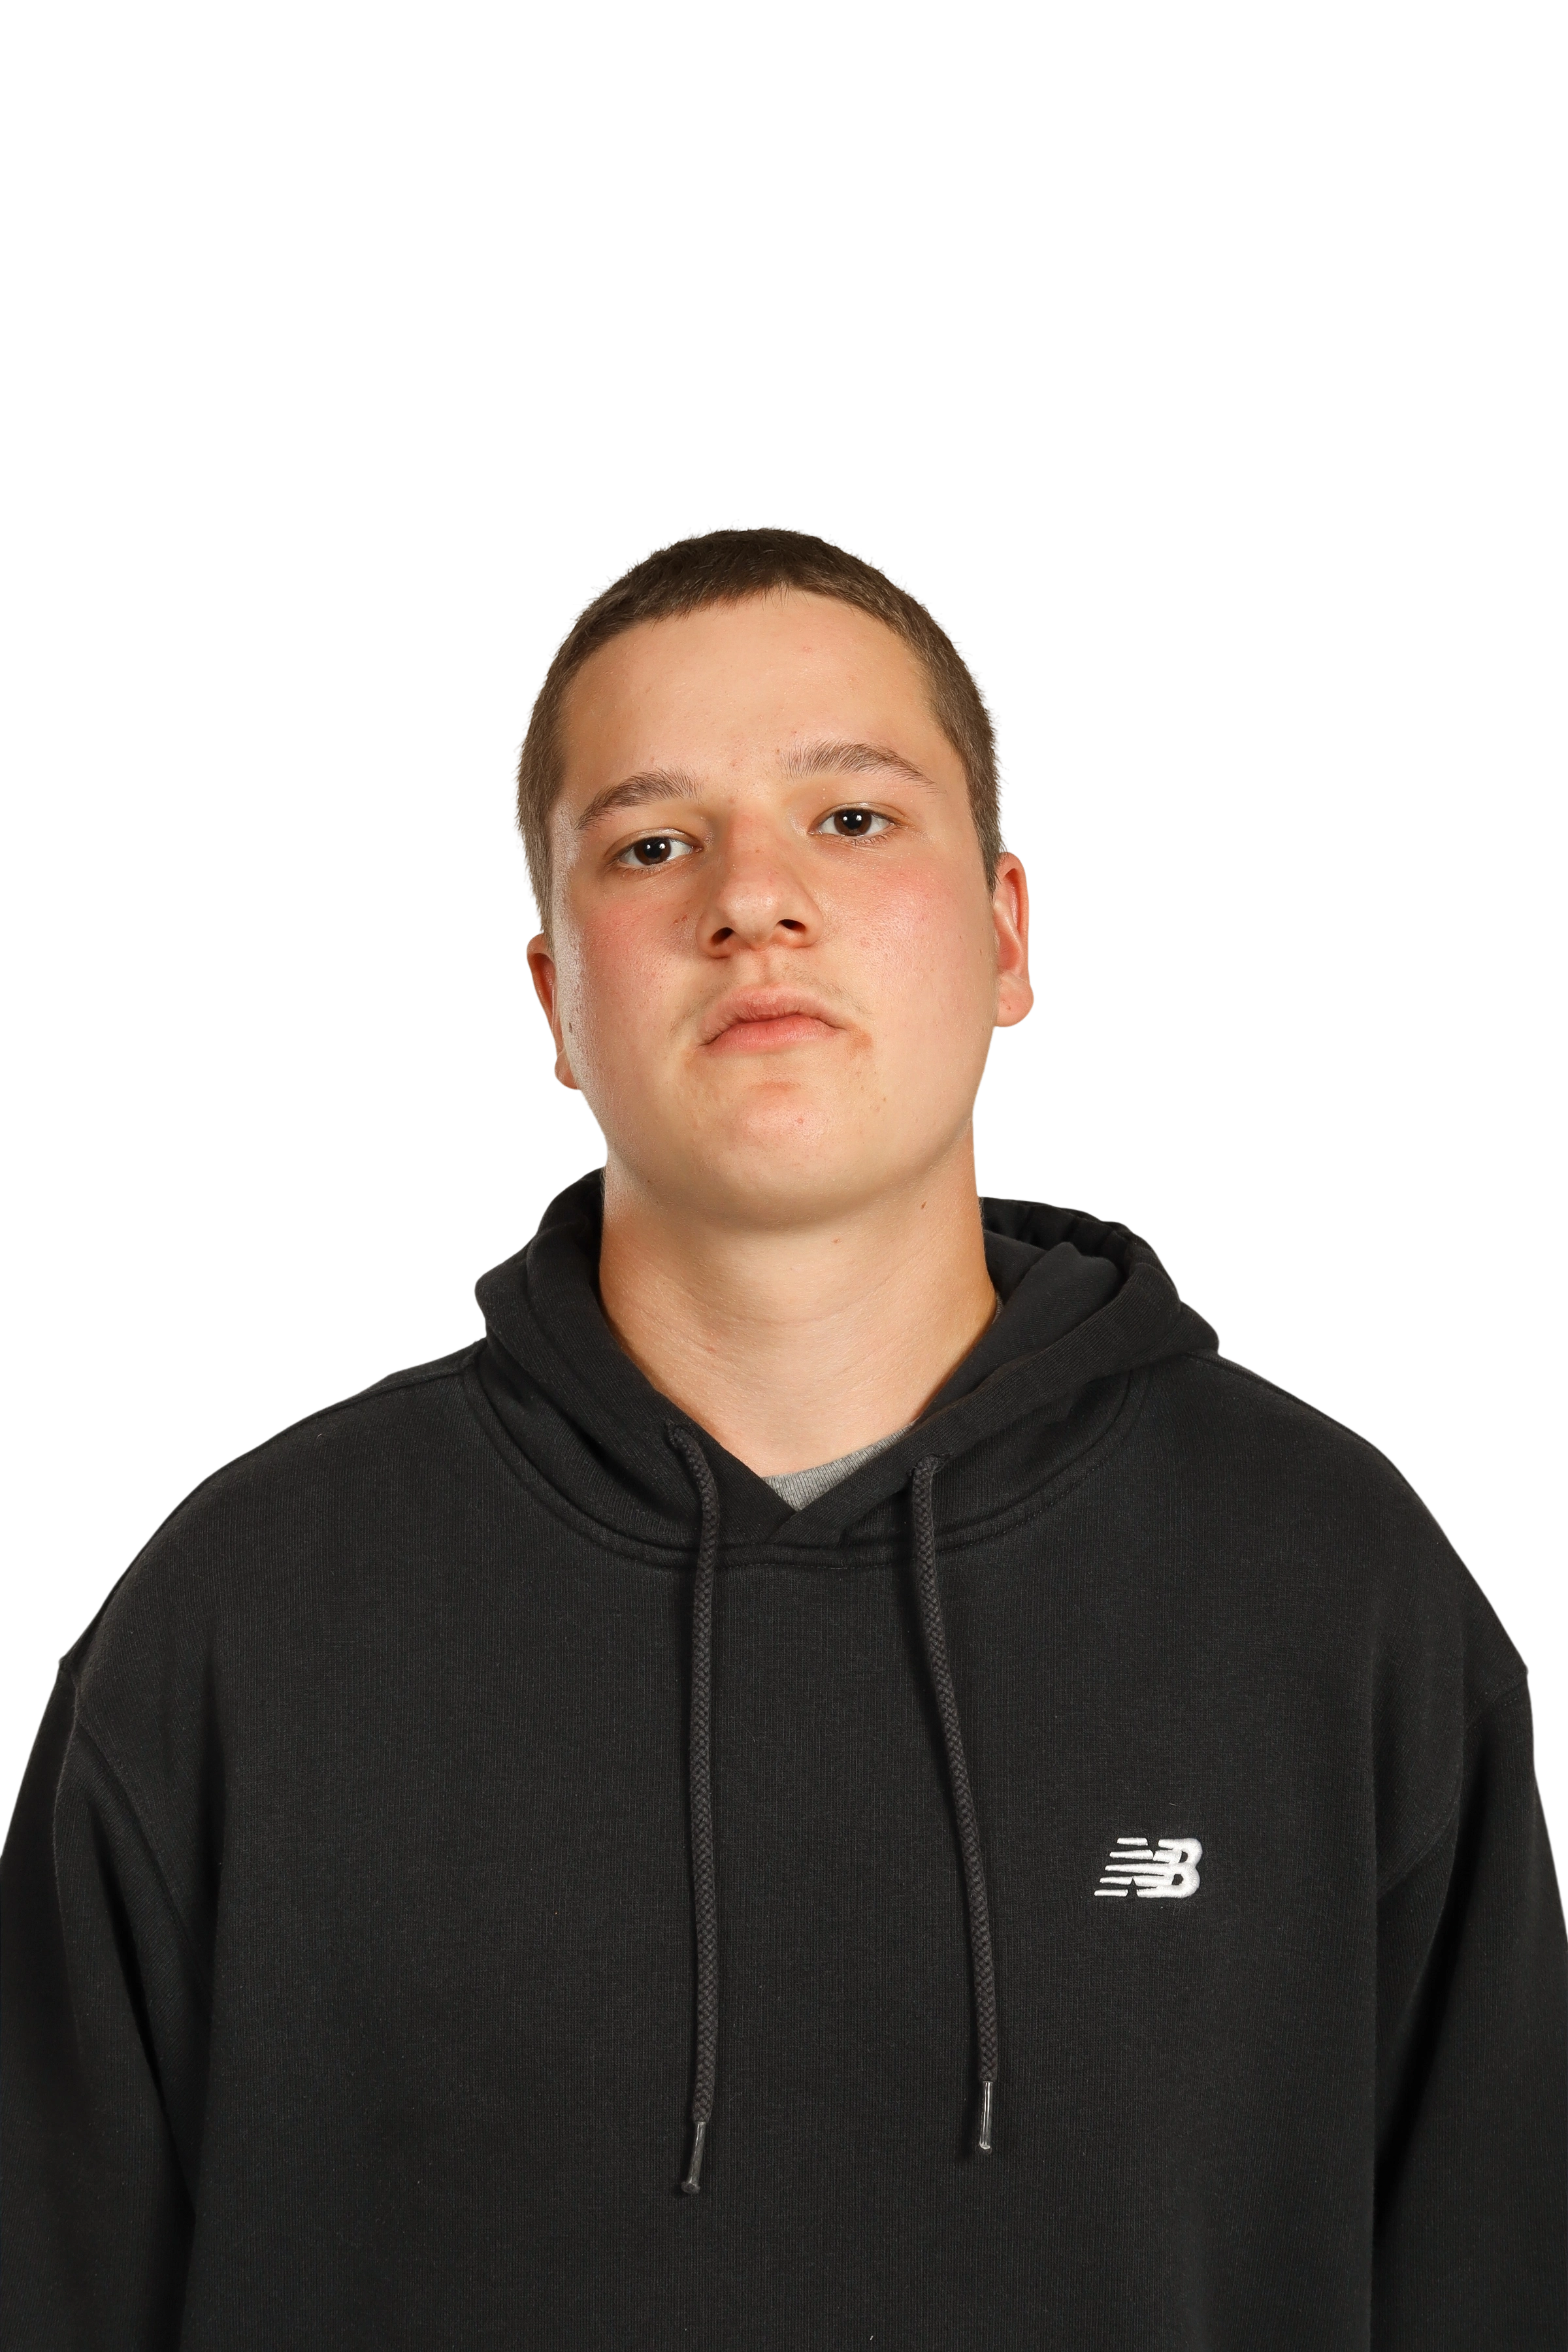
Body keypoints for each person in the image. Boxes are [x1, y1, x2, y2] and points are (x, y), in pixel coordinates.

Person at [3, 521, 1564, 2351]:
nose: (754, 900)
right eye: (653, 844)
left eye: (852, 816)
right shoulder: (252, 1612)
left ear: (1009, 934)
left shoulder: (1322, 1575)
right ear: (554, 1002)